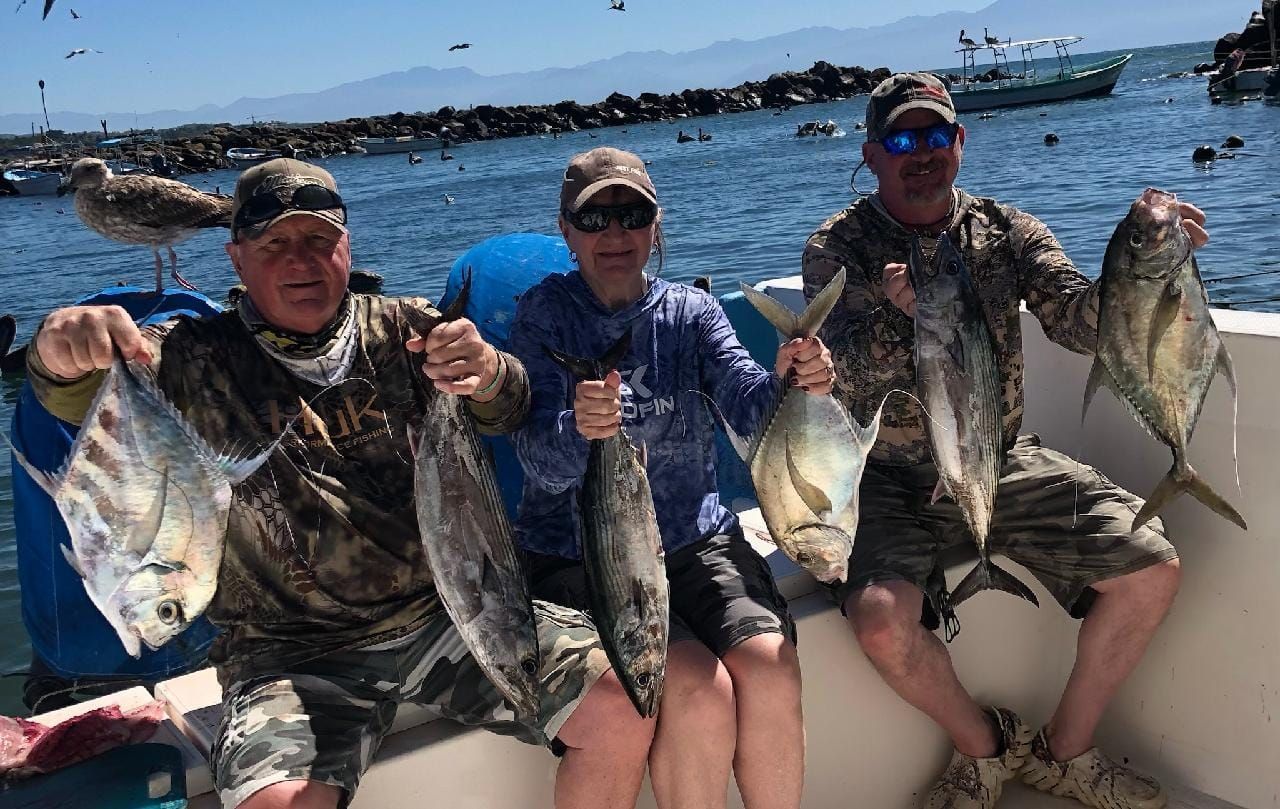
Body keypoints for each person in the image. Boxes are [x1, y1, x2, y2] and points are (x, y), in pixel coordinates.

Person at [25, 157, 653, 809]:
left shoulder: (406, 330)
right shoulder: (187, 357)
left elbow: (507, 408)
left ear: (346, 247)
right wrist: (57, 352)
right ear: (236, 257)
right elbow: (70, 394)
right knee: (279, 803)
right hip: (290, 655)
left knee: (622, 705)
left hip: (453, 611)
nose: (300, 259)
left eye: (318, 239)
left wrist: (490, 371)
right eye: (274, 243)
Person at [802, 73, 1191, 809]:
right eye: (902, 140)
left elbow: (1078, 322)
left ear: (960, 141)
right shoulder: (838, 246)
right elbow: (833, 379)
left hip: (998, 456)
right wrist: (893, 315)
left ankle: (1063, 752)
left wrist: (1144, 265)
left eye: (935, 135)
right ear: (872, 154)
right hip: (884, 479)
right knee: (880, 621)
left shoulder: (1006, 231)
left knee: (1152, 568)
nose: (921, 153)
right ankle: (985, 747)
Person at [510, 147, 830, 809]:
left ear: (656, 226)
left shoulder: (692, 313)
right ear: (566, 230)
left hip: (696, 544)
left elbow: (749, 409)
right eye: (594, 218)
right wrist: (579, 427)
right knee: (697, 690)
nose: (615, 233)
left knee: (770, 667)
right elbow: (538, 460)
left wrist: (792, 381)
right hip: (587, 557)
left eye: (632, 215)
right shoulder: (543, 315)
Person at [12, 286, 223, 714]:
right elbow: (56, 385)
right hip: (76, 673)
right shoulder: (50, 417)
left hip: (204, 651)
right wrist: (55, 358)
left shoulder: (211, 417)